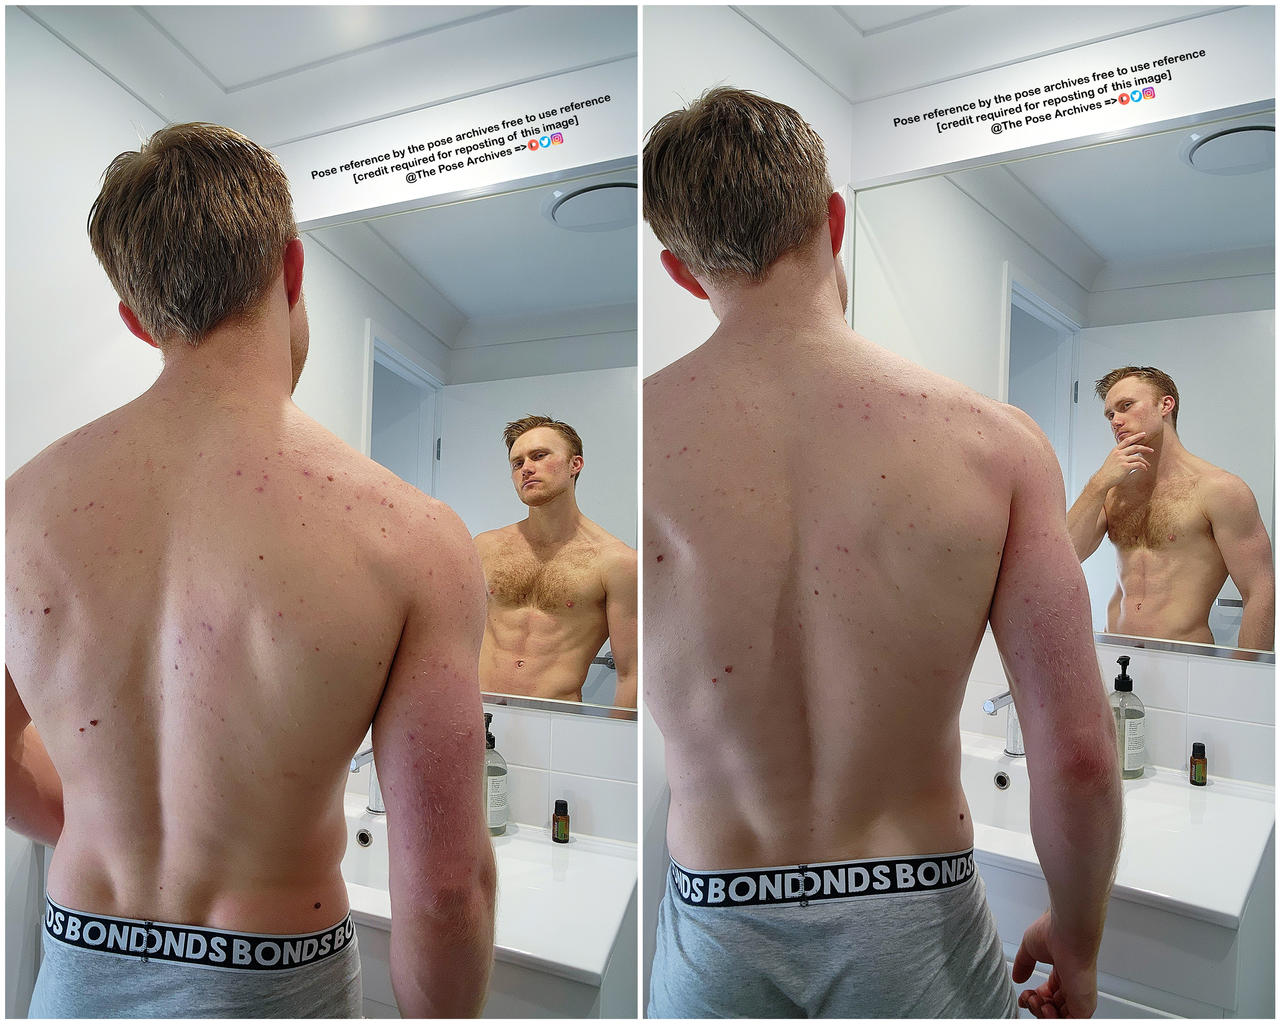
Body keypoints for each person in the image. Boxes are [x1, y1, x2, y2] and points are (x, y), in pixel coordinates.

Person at [643, 87, 1122, 1018]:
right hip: (916, 928)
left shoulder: (645, 441)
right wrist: (1079, 937)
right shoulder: (995, 445)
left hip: (715, 931)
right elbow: (1077, 757)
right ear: (832, 218)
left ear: (681, 272)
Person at [5, 123, 496, 1017]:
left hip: (75, 970)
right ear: (294, 271)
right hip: (274, 981)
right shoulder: (412, 536)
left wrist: (97, 826)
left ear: (138, 318)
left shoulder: (18, 511)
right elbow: (443, 890)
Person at [1067, 366, 1274, 650]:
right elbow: (1066, 555)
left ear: (1166, 405)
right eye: (1110, 414)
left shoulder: (1219, 489)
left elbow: (1259, 592)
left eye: (1126, 406)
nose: (1116, 420)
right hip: (1115, 653)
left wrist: (1245, 675)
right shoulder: (1113, 491)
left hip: (1184, 659)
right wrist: (1099, 483)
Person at [474, 416, 637, 708]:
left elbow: (632, 674)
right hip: (478, 712)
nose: (526, 469)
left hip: (559, 723)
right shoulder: (485, 547)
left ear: (575, 464)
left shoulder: (617, 562)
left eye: (539, 456)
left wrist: (616, 736)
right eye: (517, 463)